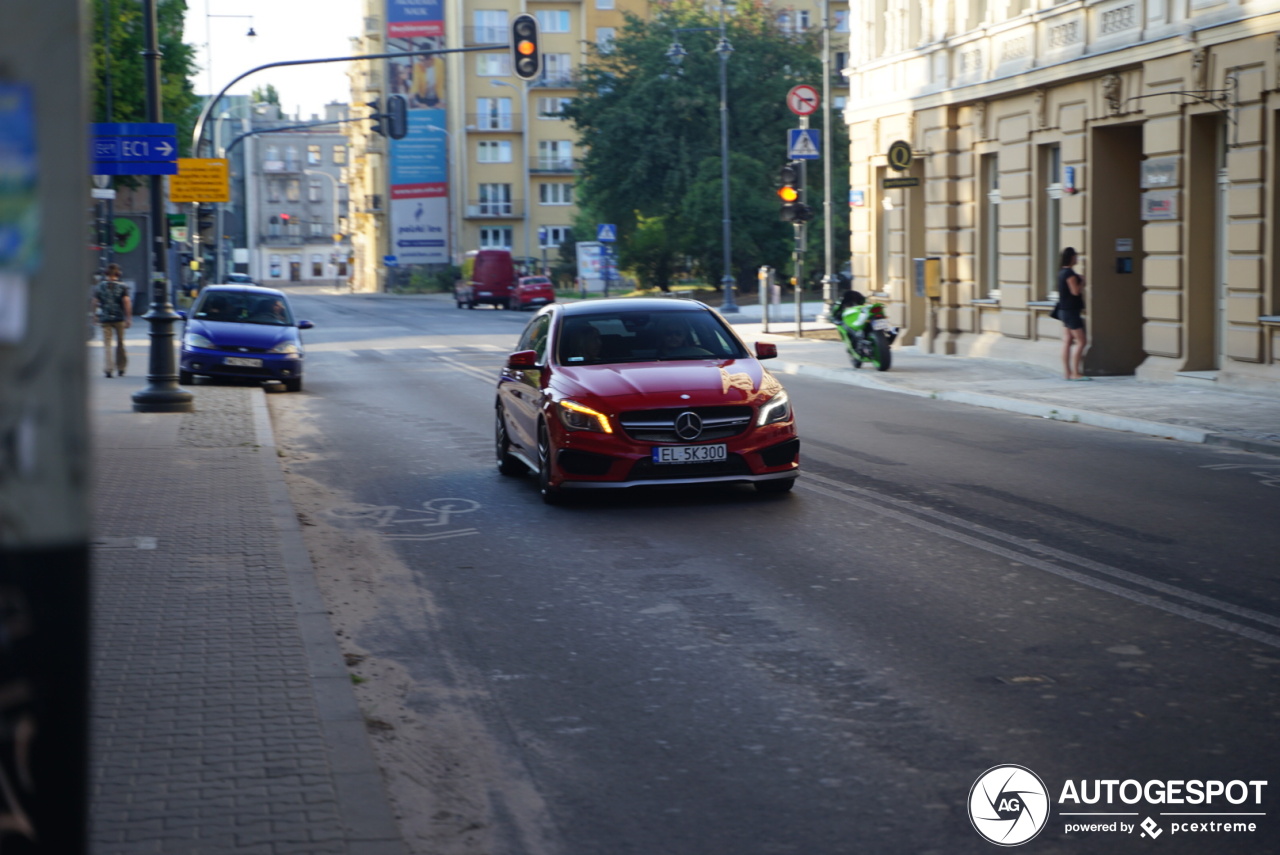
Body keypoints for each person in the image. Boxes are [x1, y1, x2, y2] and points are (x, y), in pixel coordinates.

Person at [92, 263, 131, 377]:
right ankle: (121, 367)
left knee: (107, 344)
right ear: (118, 273)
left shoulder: (100, 286)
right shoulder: (123, 286)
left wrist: (94, 315)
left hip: (105, 318)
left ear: (106, 273)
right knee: (120, 343)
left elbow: (94, 301)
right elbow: (126, 302)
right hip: (119, 318)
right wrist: (128, 318)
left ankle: (108, 369)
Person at [1057, 246, 1089, 380]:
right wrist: (1082, 282)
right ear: (1071, 258)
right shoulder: (1069, 274)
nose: (1077, 258)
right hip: (1071, 312)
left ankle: (1067, 373)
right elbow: (1075, 291)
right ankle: (1076, 373)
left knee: (1067, 341)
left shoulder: (1061, 272)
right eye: (1075, 256)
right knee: (1082, 341)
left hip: (1063, 310)